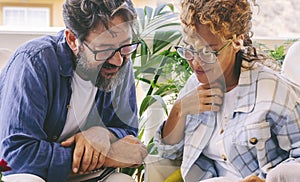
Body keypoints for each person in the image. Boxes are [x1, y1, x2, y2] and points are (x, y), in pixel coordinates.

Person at [0, 0, 147, 181]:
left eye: (126, 46)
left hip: (86, 175)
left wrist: (102, 134)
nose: (117, 61)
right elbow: (16, 156)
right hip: (35, 174)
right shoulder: (33, 62)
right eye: (104, 49)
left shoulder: (121, 61)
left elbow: (128, 132)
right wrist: (108, 155)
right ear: (72, 40)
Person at [154, 0, 300, 182]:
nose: (196, 62)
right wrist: (179, 110)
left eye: (209, 53)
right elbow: (169, 152)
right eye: (190, 49)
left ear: (237, 41)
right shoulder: (195, 84)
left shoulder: (272, 91)